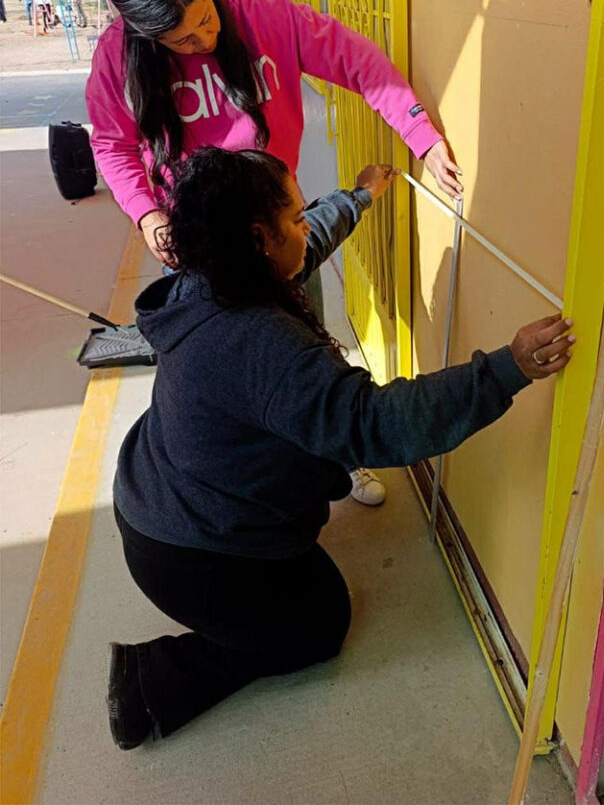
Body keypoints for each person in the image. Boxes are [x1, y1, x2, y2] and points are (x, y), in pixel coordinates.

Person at [107, 146, 575, 751]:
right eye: (296, 219)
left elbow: (305, 249)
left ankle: (245, 596)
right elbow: (377, 425)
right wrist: (506, 369)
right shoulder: (255, 343)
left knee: (307, 580)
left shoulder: (214, 277)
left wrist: (359, 198)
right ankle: (149, 684)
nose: (306, 227)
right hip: (188, 546)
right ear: (258, 238)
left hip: (163, 491)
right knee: (320, 628)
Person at [86, 0, 464, 507]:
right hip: (195, 241)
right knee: (218, 369)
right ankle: (245, 479)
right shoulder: (118, 55)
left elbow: (360, 64)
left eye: (206, 18)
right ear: (145, 35)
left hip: (272, 222)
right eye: (183, 38)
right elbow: (112, 144)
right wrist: (146, 215)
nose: (205, 38)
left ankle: (340, 456)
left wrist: (422, 137)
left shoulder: (262, 16)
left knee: (304, 343)